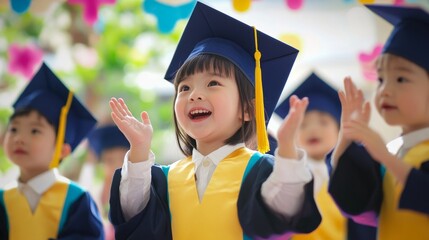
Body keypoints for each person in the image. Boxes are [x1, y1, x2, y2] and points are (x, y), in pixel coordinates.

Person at [108, 2, 321, 240]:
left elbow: (286, 206)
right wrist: (138, 150)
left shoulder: (260, 171)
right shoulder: (166, 178)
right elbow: (132, 214)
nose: (194, 94)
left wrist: (288, 150)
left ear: (248, 110)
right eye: (184, 87)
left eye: (213, 83)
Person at [328, 4, 429, 240]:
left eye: (401, 78)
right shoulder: (396, 152)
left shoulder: (392, 155)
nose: (385, 90)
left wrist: (384, 156)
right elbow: (358, 206)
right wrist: (347, 136)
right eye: (381, 78)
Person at [0, 62, 104, 239]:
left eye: (34, 131)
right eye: (14, 129)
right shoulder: (3, 199)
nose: (19, 138)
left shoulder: (76, 199)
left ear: (63, 150)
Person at [274, 73, 376, 240]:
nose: (313, 130)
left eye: (323, 122)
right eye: (303, 125)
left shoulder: (350, 175)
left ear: (339, 129)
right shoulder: (285, 173)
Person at [86, 124, 131, 240]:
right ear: (102, 162)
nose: (117, 165)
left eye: (122, 159)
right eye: (110, 160)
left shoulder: (137, 192)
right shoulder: (92, 192)